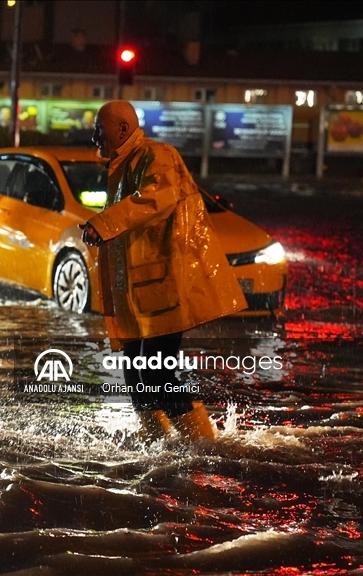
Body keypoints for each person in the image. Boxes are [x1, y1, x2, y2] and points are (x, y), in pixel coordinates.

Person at [82, 100, 247, 443]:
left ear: (122, 129)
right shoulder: (123, 165)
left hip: (162, 289)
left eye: (100, 128)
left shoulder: (156, 155)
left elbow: (157, 198)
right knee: (135, 374)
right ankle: (157, 445)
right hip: (137, 295)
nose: (95, 136)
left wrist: (104, 223)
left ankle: (205, 446)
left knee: (156, 374)